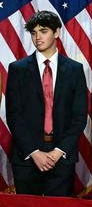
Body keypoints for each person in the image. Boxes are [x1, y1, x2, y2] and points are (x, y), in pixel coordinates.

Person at [5, 11, 87, 196]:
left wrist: (59, 151)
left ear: (56, 32)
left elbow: (79, 116)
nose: (37, 37)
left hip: (61, 156)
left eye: (43, 31)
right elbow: (14, 115)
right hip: (27, 157)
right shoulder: (17, 69)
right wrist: (34, 152)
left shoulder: (74, 69)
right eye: (33, 33)